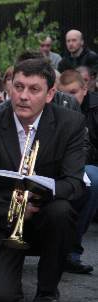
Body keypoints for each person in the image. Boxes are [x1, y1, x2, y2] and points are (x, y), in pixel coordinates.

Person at [0, 58, 86, 302]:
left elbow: (74, 185)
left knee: (61, 211)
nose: (23, 96)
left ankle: (47, 288)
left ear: (50, 93)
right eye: (18, 87)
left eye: (34, 89)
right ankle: (7, 278)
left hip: (44, 217)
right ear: (9, 87)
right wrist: (15, 209)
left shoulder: (70, 124)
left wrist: (38, 200)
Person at [57, 69, 98, 274]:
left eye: (73, 92)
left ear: (84, 89)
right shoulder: (60, 106)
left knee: (93, 177)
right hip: (69, 165)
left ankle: (72, 251)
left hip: (89, 166)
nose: (68, 98)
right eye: (64, 93)